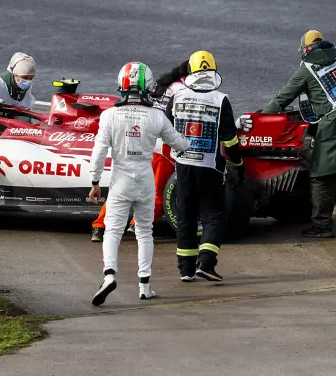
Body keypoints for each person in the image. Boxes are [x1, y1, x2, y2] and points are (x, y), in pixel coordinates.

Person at [255, 30, 336, 239]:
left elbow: (282, 99)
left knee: (322, 174)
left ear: (305, 49)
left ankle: (322, 226)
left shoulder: (307, 68)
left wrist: (260, 118)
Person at [88, 62, 191, 306]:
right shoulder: (156, 116)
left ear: (121, 86)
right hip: (145, 180)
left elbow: (99, 152)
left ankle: (109, 275)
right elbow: (181, 144)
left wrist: (94, 181)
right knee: (145, 233)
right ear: (147, 87)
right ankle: (144, 286)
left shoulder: (109, 115)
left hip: (120, 181)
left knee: (112, 231)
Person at [167, 50, 244, 283]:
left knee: (186, 216)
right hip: (211, 168)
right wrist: (238, 163)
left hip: (183, 166)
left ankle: (186, 270)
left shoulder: (177, 97)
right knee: (214, 215)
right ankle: (207, 263)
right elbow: (230, 140)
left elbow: (165, 128)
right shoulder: (221, 100)